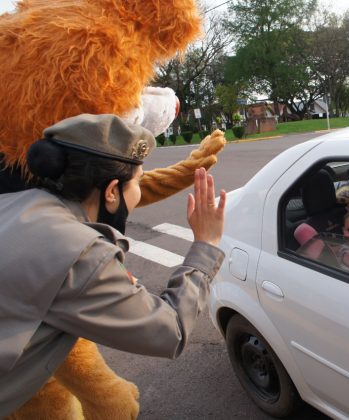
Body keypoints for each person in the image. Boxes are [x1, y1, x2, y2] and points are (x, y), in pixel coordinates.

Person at [0, 114, 226, 414]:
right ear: (111, 192)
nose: (139, 191)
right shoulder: (79, 253)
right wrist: (205, 244)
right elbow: (169, 332)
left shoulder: (14, 203)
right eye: (138, 181)